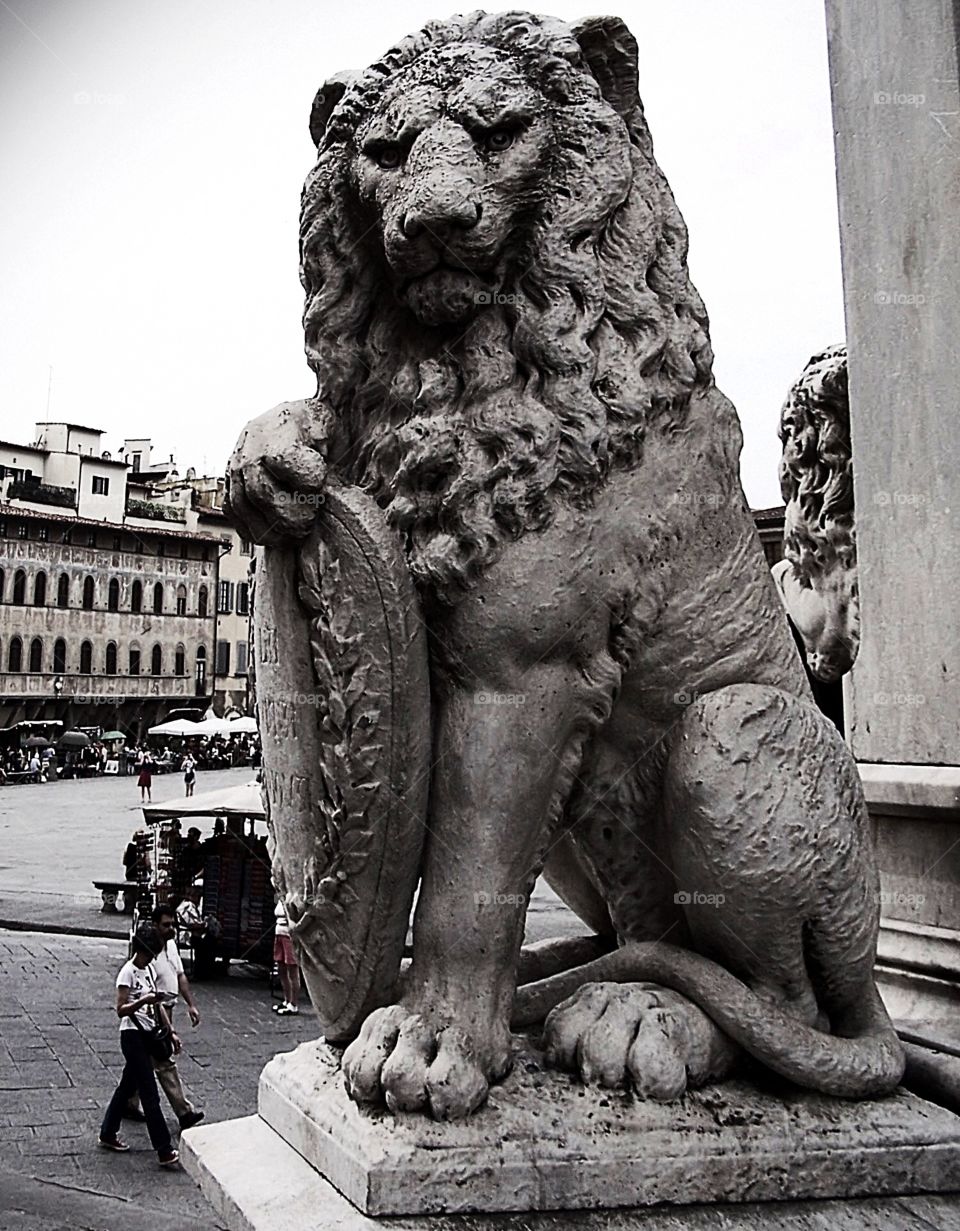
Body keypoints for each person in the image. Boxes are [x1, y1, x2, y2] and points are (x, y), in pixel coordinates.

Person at [98, 924, 180, 1168]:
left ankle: (107, 1133)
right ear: (140, 950)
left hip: (147, 1033)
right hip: (131, 1035)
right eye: (149, 954)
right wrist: (142, 1000)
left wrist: (171, 1032)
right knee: (149, 1092)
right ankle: (163, 1149)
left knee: (126, 1087)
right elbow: (120, 1009)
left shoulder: (149, 970)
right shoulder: (127, 973)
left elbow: (158, 1005)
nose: (151, 958)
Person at [126, 904, 204, 1131]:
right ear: (155, 925)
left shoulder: (171, 946)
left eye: (173, 924)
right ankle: (184, 1112)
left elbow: (180, 976)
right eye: (166, 925)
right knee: (164, 1062)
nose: (171, 929)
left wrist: (191, 1005)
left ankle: (127, 1102)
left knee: (142, 1063)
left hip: (167, 1008)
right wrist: (169, 1029)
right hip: (152, 1014)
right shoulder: (146, 954)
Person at [176, 885, 219, 979]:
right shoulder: (187, 906)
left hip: (191, 934)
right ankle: (201, 972)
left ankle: (204, 971)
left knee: (210, 941)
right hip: (186, 935)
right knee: (207, 943)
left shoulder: (191, 906)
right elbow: (191, 924)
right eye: (198, 897)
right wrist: (205, 924)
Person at [272, 897, 301, 1016]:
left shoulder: (295, 896)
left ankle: (293, 1004)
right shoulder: (280, 897)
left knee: (292, 969)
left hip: (289, 935)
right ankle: (287, 999)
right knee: (281, 968)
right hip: (279, 932)